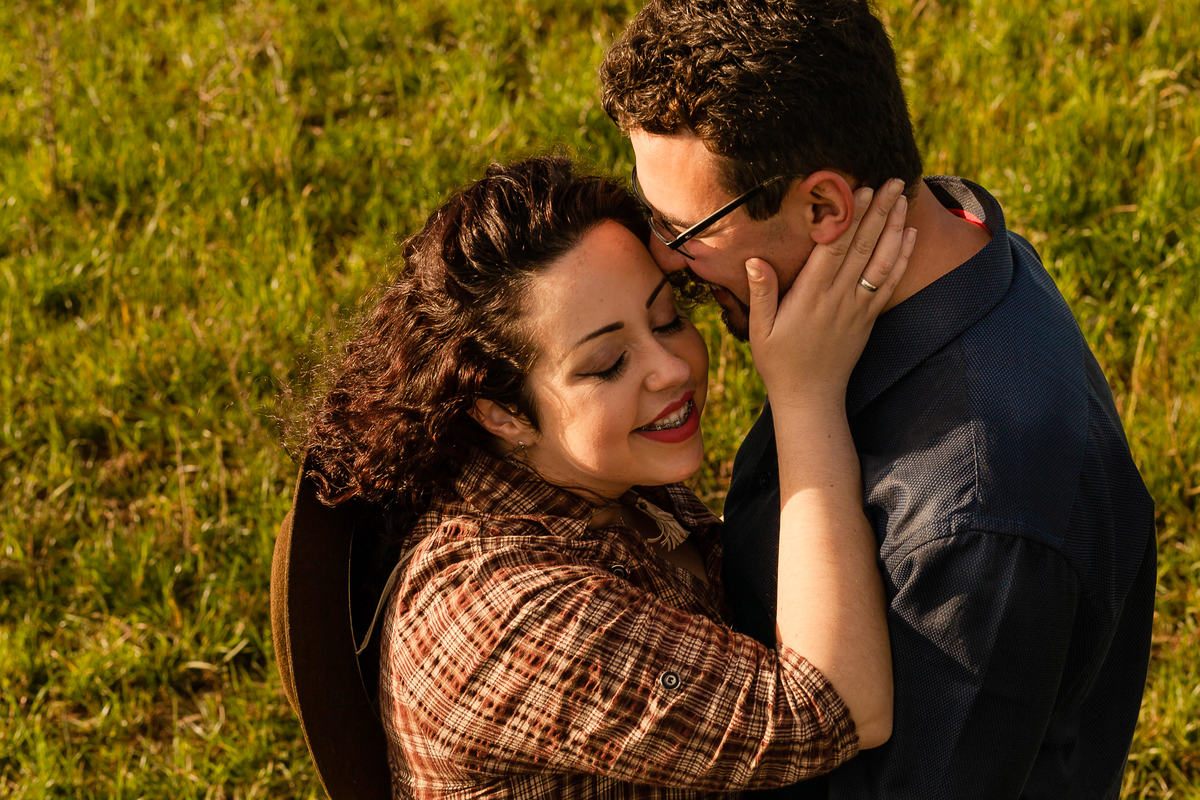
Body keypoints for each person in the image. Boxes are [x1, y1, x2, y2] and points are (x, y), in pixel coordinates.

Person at [599, 2, 1157, 798]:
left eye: (686, 227)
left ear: (824, 210)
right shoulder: (946, 245)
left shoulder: (976, 523)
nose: (664, 256)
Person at [272, 155, 916, 799]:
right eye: (607, 363)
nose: (670, 368)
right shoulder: (508, 617)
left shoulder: (593, 470)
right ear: (502, 412)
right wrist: (807, 396)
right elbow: (836, 711)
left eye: (666, 319)